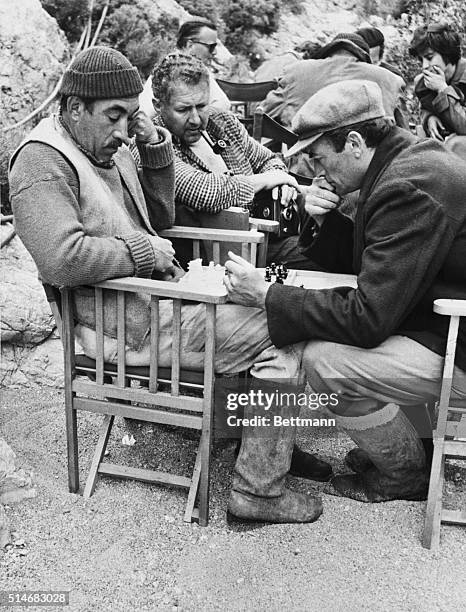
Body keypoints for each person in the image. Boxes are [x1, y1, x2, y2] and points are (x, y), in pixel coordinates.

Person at [9, 46, 329, 524]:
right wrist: (142, 253)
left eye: (129, 117)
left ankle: (261, 444)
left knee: (281, 306)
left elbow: (158, 218)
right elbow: (60, 259)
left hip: (155, 301)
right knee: (286, 326)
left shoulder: (106, 146)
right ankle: (259, 483)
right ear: (75, 107)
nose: (122, 131)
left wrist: (155, 145)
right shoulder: (40, 163)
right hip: (123, 325)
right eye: (113, 116)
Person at [223, 79, 466, 503]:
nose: (317, 173)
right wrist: (324, 221)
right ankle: (410, 447)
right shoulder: (407, 160)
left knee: (324, 360)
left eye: (319, 158)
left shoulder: (404, 188)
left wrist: (267, 294)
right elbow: (379, 267)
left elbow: (368, 318)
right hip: (441, 323)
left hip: (458, 345)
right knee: (330, 338)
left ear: (354, 142)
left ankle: (407, 474)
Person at [148, 52, 319, 270]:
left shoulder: (222, 122)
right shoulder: (152, 143)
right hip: (211, 255)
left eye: (202, 106)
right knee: (324, 256)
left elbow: (267, 159)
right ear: (158, 105)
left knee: (333, 237)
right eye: (182, 109)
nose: (195, 119)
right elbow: (205, 192)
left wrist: (281, 181)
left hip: (259, 238)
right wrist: (266, 180)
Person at [260, 32, 407, 129]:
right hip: (368, 171)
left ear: (329, 52)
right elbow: (402, 132)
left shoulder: (296, 71)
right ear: (364, 59)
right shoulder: (388, 79)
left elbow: (263, 115)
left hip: (304, 170)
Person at [140, 18, 230, 118]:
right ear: (190, 45)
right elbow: (222, 104)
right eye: (211, 46)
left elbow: (223, 104)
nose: (214, 52)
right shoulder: (174, 71)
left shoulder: (172, 66)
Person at [409, 23, 466, 157]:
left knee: (456, 145)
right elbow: (425, 106)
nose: (424, 66)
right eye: (421, 60)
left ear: (447, 53)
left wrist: (443, 89)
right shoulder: (423, 83)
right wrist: (428, 118)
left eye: (429, 58)